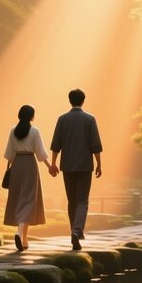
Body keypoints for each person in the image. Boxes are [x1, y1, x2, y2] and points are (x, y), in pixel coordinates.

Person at [49, 88, 102, 250]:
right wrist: (99, 164)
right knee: (82, 200)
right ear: (83, 100)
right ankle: (77, 231)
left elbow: (56, 144)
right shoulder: (90, 119)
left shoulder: (62, 119)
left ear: (70, 100)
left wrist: (53, 163)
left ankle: (74, 230)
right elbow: (95, 145)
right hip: (85, 166)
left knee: (71, 200)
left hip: (68, 166)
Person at [3, 104, 54, 251]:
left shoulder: (13, 131)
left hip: (16, 165)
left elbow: (10, 154)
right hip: (30, 165)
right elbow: (40, 153)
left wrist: (8, 170)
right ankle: (19, 233)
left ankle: (24, 240)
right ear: (31, 116)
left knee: (20, 198)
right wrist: (50, 166)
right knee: (29, 200)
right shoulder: (35, 131)